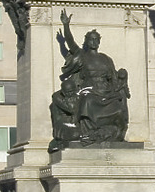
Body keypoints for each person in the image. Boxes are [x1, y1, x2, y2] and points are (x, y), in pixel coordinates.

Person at [49, 9, 130, 152]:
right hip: (89, 90)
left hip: (106, 91)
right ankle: (87, 133)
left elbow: (113, 78)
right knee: (87, 101)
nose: (93, 42)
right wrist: (66, 26)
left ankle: (115, 131)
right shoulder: (82, 55)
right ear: (86, 41)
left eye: (96, 39)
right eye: (90, 39)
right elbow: (71, 43)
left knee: (119, 106)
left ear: (99, 42)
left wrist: (121, 83)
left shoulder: (106, 58)